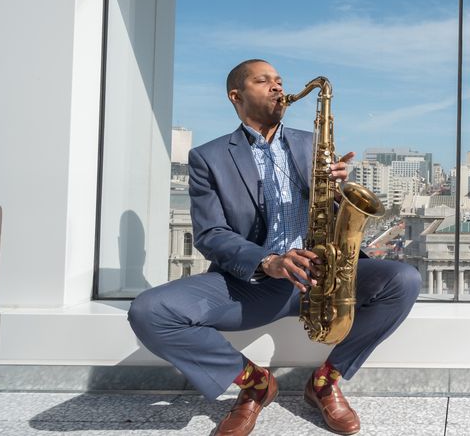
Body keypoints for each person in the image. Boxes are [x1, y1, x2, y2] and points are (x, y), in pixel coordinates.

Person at [128, 59, 421, 436]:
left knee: (404, 280)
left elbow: (333, 214)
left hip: (324, 277)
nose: (277, 87)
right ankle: (254, 383)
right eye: (263, 81)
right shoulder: (208, 157)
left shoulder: (312, 143)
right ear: (236, 96)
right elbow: (211, 234)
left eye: (280, 81)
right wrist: (268, 261)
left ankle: (325, 382)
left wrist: (337, 192)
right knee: (149, 311)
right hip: (252, 284)